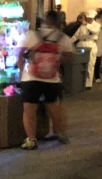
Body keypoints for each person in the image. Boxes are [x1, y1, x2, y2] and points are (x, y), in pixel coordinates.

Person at [16, 10, 73, 150]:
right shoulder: (63, 37)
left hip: (31, 78)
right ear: (58, 22)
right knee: (54, 108)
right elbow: (70, 56)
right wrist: (57, 62)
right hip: (52, 79)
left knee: (29, 110)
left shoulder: (32, 35)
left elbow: (20, 54)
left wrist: (22, 70)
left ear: (44, 21)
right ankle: (62, 134)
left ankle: (31, 140)